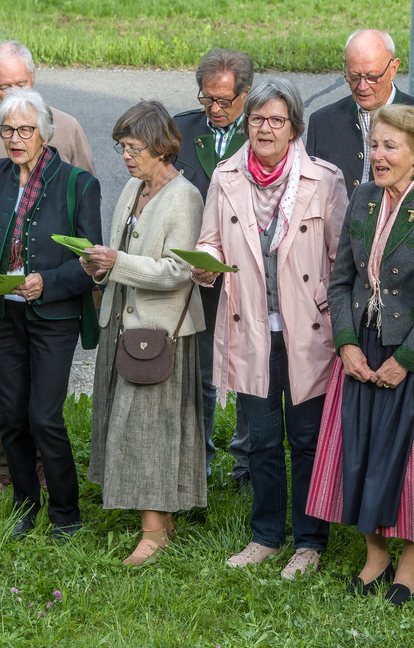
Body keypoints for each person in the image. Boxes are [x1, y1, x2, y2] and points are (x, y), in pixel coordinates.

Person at [306, 104, 414, 607]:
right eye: (374, 145)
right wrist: (347, 343)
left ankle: (411, 561)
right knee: (361, 449)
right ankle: (374, 555)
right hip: (363, 347)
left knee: (413, 461)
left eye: (390, 147)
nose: (377, 155)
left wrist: (407, 359)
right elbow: (340, 280)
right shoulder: (363, 197)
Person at [192, 78, 348, 579]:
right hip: (251, 326)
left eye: (277, 120)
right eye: (257, 119)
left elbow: (341, 259)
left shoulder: (324, 179)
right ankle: (265, 536)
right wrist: (205, 263)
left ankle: (309, 541)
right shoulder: (226, 176)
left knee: (305, 440)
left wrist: (334, 315)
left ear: (294, 127)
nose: (265, 128)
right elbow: (211, 240)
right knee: (260, 439)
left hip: (308, 330)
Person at [0, 40, 97, 498]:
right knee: (9, 411)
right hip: (0, 307)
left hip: (52, 309)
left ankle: (64, 511)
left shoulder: (74, 167)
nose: (15, 138)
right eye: (8, 130)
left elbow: (90, 252)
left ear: (44, 133)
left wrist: (48, 281)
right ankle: (20, 497)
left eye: (25, 130)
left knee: (44, 416)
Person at [84, 101, 207, 565]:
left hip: (159, 335)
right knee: (131, 426)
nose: (126, 157)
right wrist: (100, 268)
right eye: (122, 147)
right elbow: (122, 255)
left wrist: (117, 263)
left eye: (134, 148)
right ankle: (161, 522)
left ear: (161, 147)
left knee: (150, 431)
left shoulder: (185, 197)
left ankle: (153, 534)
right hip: (122, 326)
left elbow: (179, 271)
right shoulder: (132, 188)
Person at [172, 48, 254, 486]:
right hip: (196, 274)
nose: (214, 108)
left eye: (224, 100)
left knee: (249, 371)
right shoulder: (180, 130)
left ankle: (246, 464)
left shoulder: (265, 129)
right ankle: (197, 463)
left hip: (249, 275)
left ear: (246, 94)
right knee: (200, 372)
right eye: (207, 98)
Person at [306, 29, 414, 198]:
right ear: (345, 65)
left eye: (372, 77)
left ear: (393, 68)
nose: (362, 86)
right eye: (354, 76)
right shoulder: (322, 123)